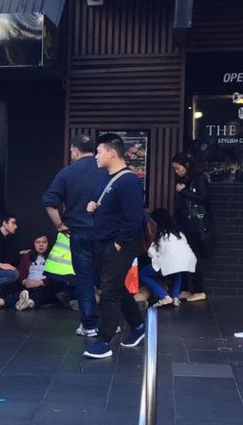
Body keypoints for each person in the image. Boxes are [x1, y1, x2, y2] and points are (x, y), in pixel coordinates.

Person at [84, 133, 147, 360]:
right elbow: (114, 212)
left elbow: (133, 218)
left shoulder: (129, 181)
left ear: (112, 152)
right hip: (105, 242)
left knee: (109, 289)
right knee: (115, 287)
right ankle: (138, 326)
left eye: (99, 151)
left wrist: (119, 244)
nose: (96, 156)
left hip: (120, 244)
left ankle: (104, 340)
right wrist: (95, 208)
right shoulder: (110, 179)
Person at [43, 134, 109, 339]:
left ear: (75, 151)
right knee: (108, 278)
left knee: (84, 279)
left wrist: (60, 225)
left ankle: (89, 324)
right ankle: (110, 322)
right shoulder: (106, 171)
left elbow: (49, 202)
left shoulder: (67, 173)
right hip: (105, 233)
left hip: (79, 232)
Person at [171, 153, 210, 302]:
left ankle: (199, 290)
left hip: (194, 223)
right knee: (185, 256)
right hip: (184, 223)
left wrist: (184, 192)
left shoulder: (199, 179)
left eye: (178, 168)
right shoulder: (185, 180)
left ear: (186, 166)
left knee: (194, 256)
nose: (177, 172)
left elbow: (203, 199)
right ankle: (186, 288)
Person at [141, 208, 197, 308]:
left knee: (143, 274)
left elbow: (152, 253)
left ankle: (164, 296)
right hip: (184, 263)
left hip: (165, 264)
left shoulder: (158, 235)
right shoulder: (178, 233)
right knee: (177, 273)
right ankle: (175, 298)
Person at [14, 234, 74, 311]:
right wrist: (24, 281)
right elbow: (20, 272)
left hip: (45, 286)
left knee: (45, 294)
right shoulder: (27, 256)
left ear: (48, 244)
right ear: (33, 244)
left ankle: (28, 303)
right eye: (38, 242)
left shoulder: (53, 257)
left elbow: (56, 275)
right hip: (28, 285)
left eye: (44, 242)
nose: (41, 245)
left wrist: (41, 282)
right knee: (19, 293)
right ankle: (0, 302)